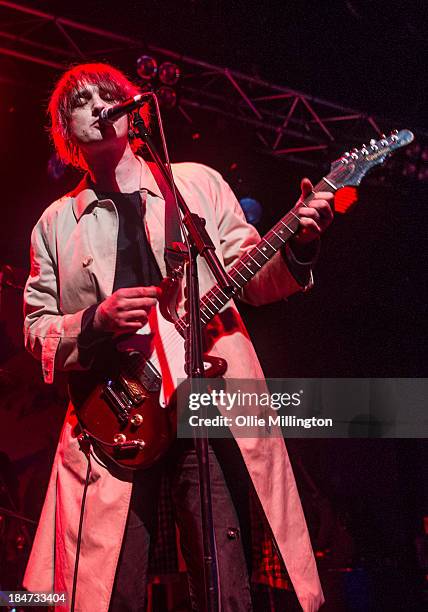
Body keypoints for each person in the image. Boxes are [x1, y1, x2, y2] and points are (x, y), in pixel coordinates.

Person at [22, 63, 333, 612]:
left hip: (202, 398)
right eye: (81, 102)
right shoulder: (54, 224)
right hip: (117, 412)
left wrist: (299, 246)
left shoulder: (194, 184)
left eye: (108, 95)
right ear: (66, 132)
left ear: (131, 109)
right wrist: (94, 322)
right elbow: (37, 327)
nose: (99, 105)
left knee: (220, 570)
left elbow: (251, 276)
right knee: (109, 577)